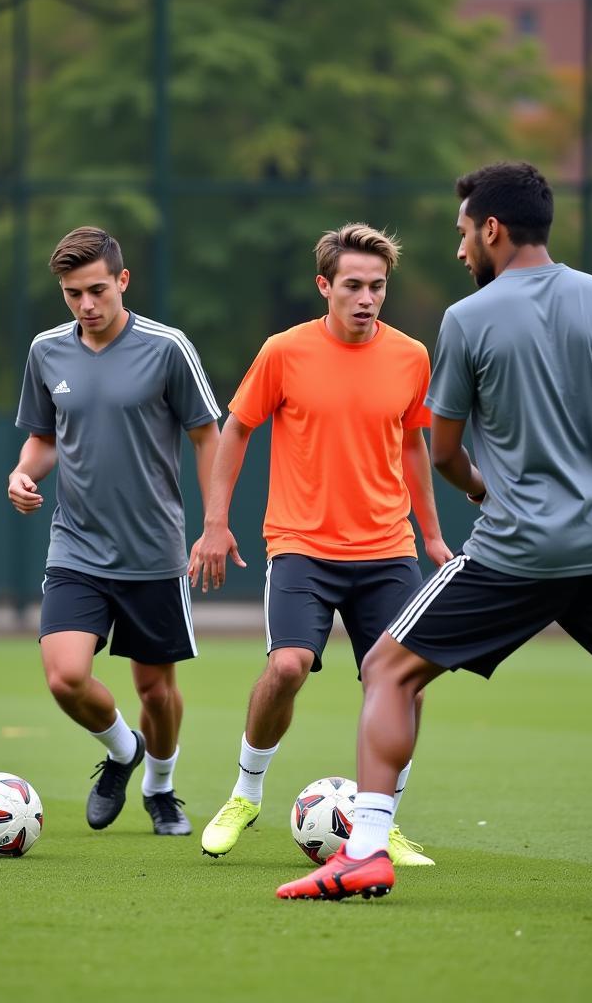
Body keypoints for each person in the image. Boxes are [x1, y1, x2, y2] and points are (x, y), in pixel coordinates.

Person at [277, 162, 592, 906]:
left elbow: (440, 452)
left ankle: (366, 849)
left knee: (388, 669)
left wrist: (475, 488)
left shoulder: (468, 319)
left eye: (464, 232)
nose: (462, 248)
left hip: (516, 550)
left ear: (491, 229)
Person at [191, 223, 452, 867]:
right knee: (287, 666)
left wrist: (434, 535)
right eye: (354, 286)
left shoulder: (412, 356)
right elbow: (237, 428)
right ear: (324, 287)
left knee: (402, 684)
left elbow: (414, 443)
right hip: (302, 544)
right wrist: (216, 522)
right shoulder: (284, 351)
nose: (367, 298)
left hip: (388, 549)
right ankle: (246, 793)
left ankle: (382, 823)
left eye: (378, 287)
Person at [7, 226, 222, 836]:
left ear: (123, 280)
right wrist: (23, 474)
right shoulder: (46, 351)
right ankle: (126, 751)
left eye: (97, 290)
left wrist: (213, 524)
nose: (86, 305)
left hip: (153, 550)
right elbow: (44, 441)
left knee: (156, 690)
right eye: (73, 294)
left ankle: (161, 787)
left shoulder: (167, 347)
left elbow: (208, 434)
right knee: (64, 675)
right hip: (75, 543)